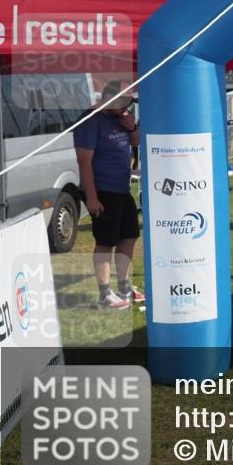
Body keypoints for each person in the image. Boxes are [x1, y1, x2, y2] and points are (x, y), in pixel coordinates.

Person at [73, 81, 144, 310]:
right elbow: (84, 162)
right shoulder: (91, 121)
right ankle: (104, 294)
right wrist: (92, 197)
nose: (125, 109)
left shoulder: (120, 118)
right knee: (105, 241)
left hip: (122, 189)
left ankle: (124, 286)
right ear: (108, 98)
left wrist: (131, 127)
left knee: (129, 236)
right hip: (102, 190)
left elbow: (137, 142)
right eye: (122, 103)